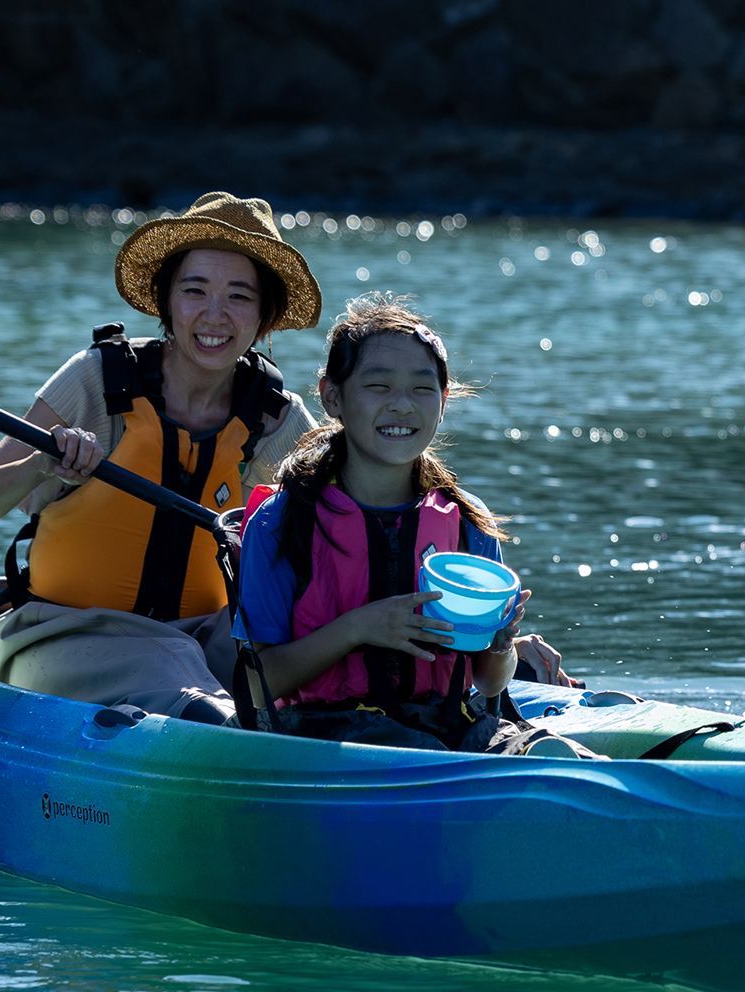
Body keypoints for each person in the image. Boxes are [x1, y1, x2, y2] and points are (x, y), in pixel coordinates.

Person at [0, 191, 321, 723]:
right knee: (203, 703)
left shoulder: (275, 418)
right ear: (167, 299)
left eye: (239, 296)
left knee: (315, 667)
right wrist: (41, 464)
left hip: (204, 638)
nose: (214, 315)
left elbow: (338, 521)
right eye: (195, 290)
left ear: (264, 316)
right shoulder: (99, 381)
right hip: (62, 633)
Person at [234, 294, 593, 753]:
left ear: (443, 401)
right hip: (324, 736)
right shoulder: (280, 523)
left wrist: (501, 647)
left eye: (422, 389)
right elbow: (257, 686)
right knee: (418, 752)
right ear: (332, 397)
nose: (402, 405)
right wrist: (359, 627)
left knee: (557, 756)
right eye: (379, 387)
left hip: (449, 723)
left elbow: (487, 682)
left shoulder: (467, 523)